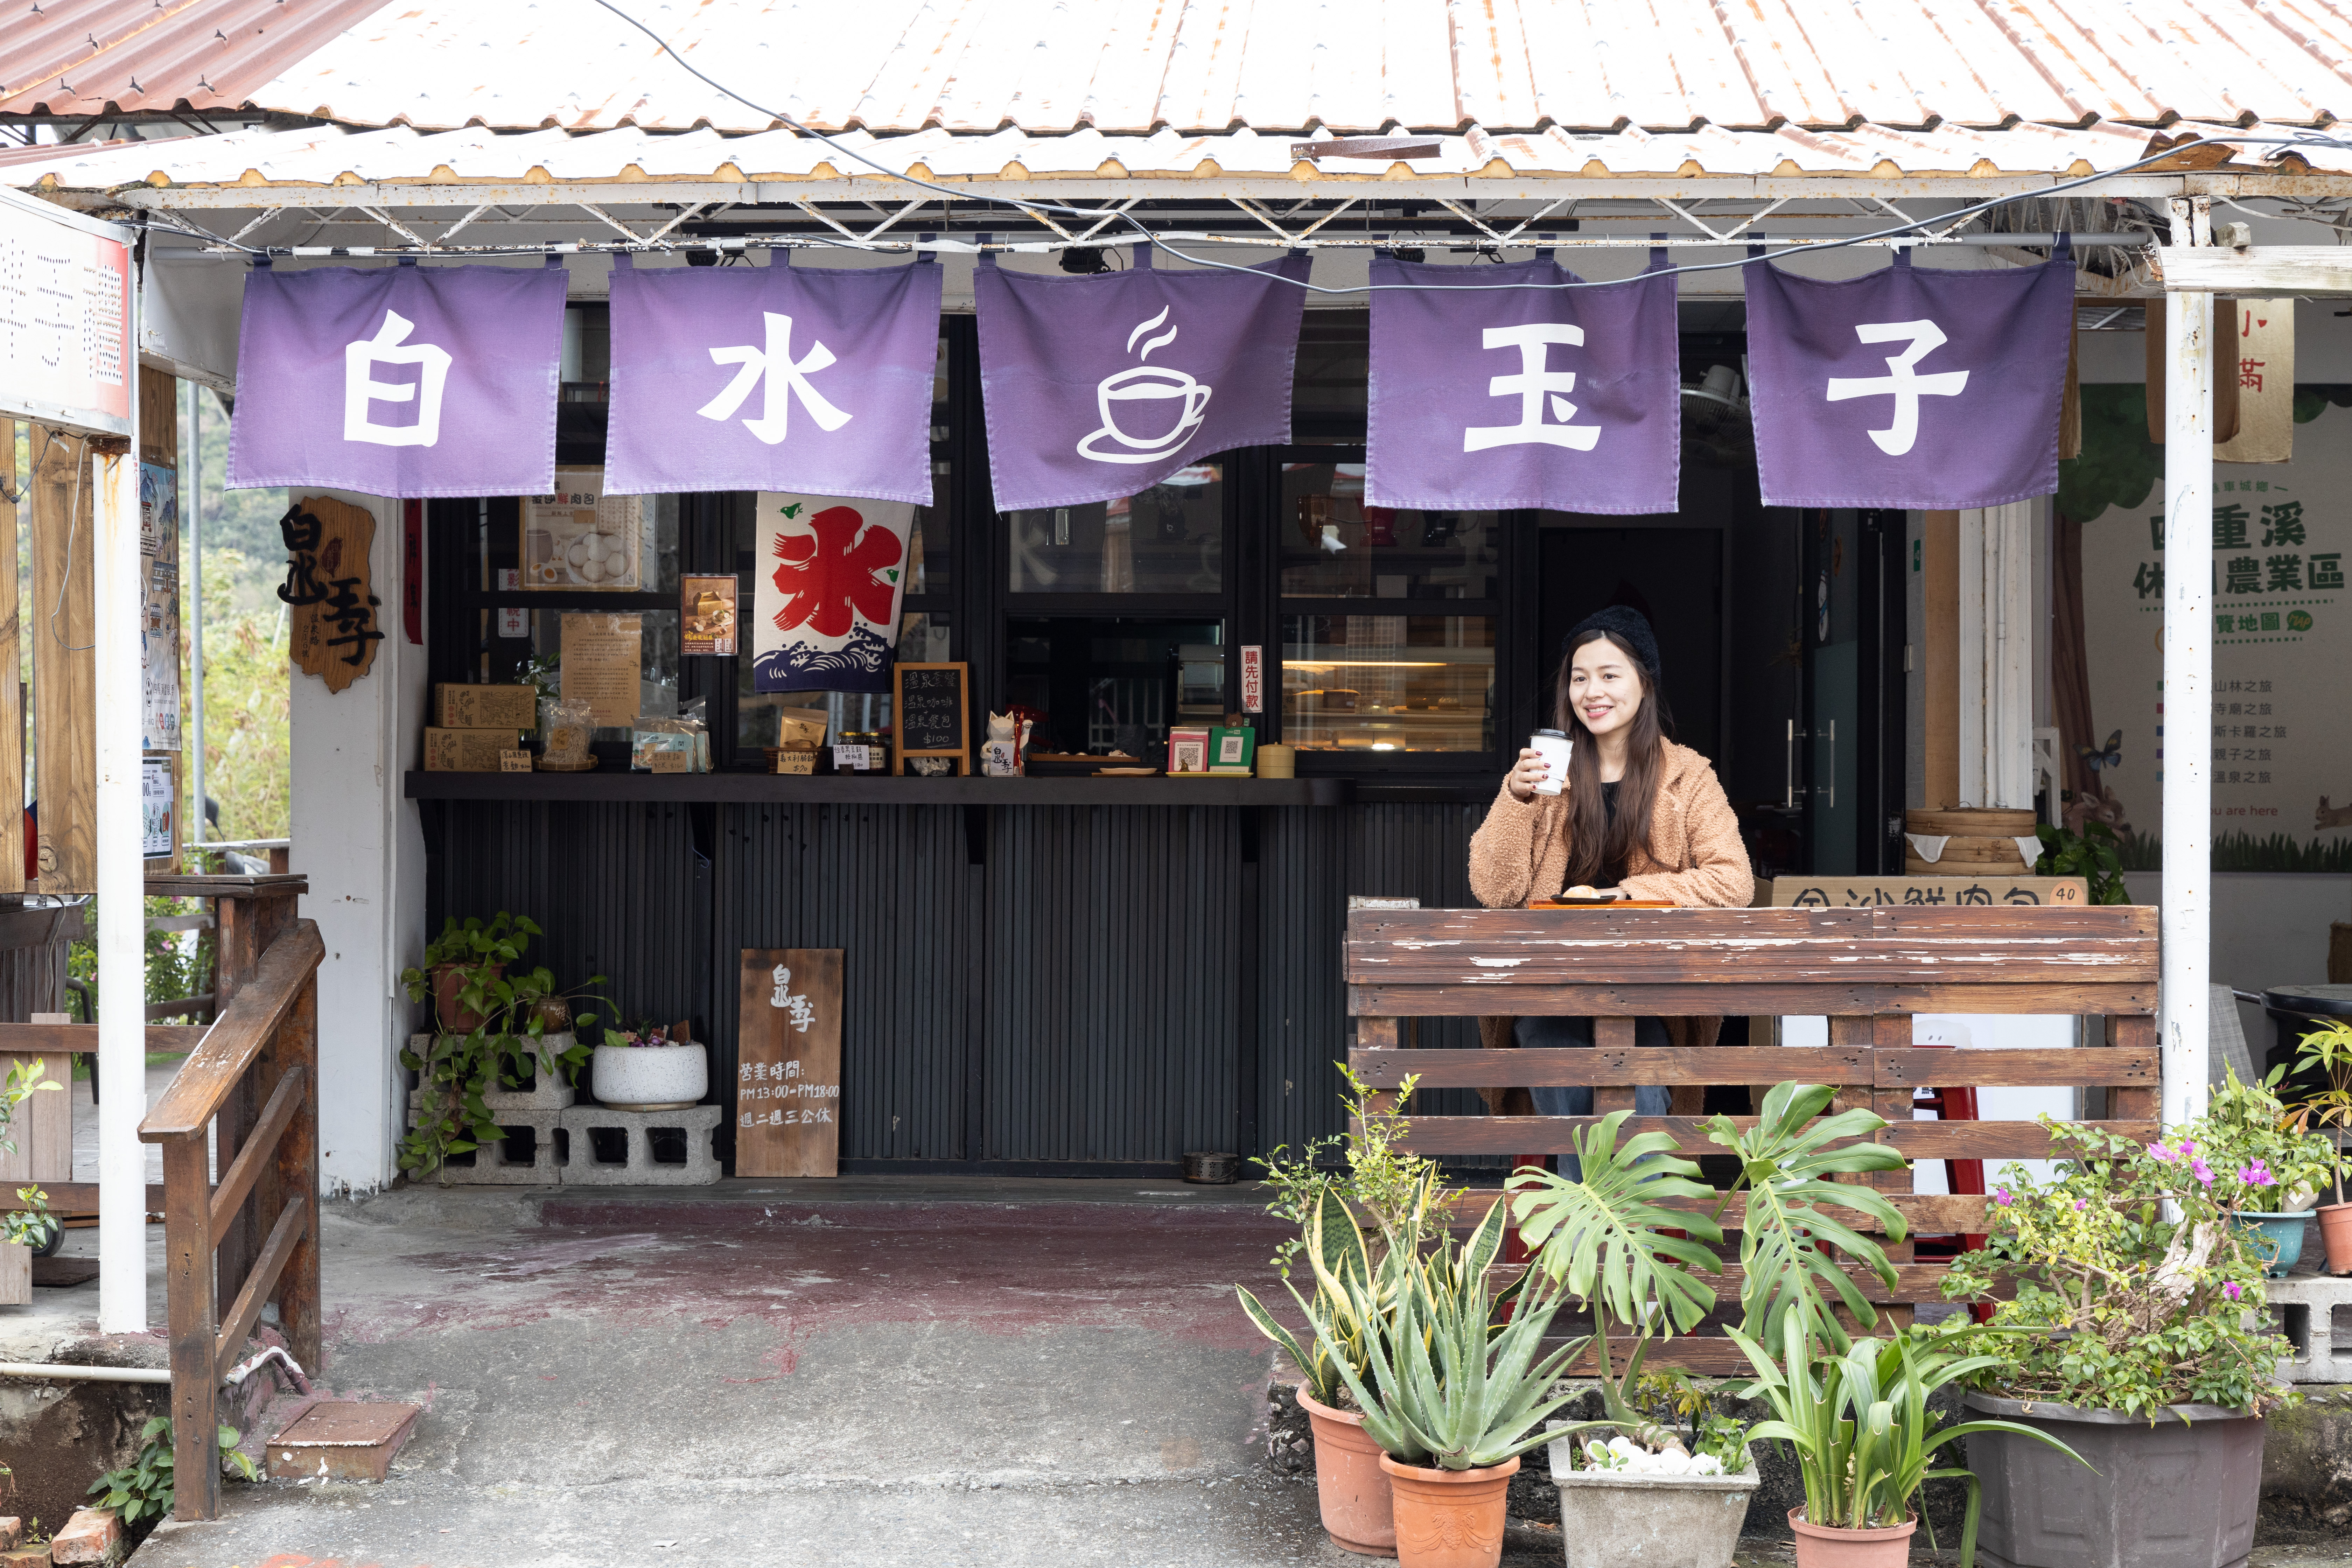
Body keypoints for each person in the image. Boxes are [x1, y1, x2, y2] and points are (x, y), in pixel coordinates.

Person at [1466, 606, 1754, 1175]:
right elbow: (1494, 890)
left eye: (1609, 675)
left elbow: (1734, 881)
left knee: (1636, 1084)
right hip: (1550, 984)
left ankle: (1591, 1241)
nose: (1591, 691)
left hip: (1651, 988)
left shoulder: (1687, 777)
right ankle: (1617, 1244)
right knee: (1563, 1057)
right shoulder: (1545, 775)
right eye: (1579, 677)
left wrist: (1626, 897)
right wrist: (1513, 800)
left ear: (1644, 684)